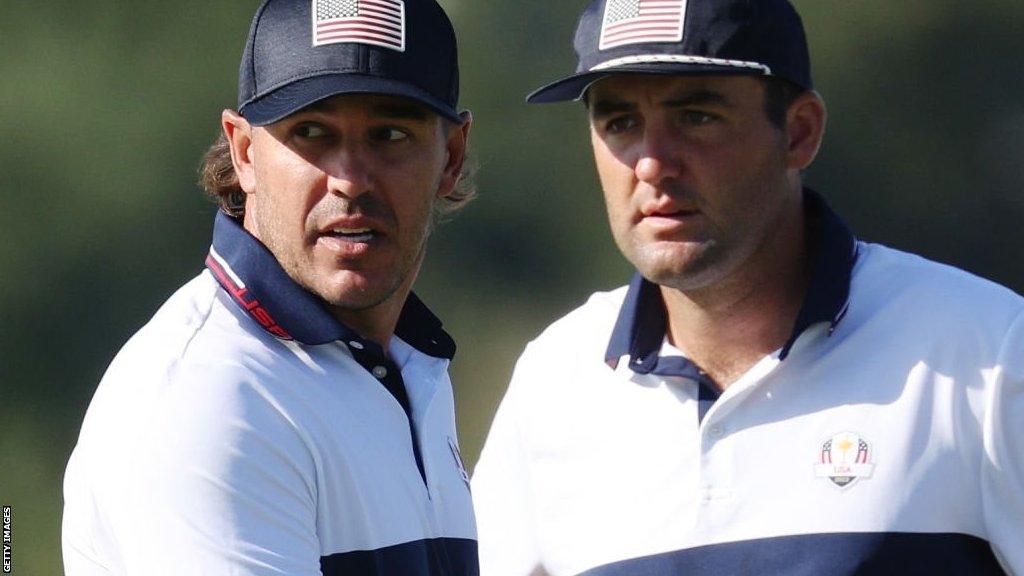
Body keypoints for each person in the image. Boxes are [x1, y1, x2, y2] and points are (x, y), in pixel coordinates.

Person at [471, 0, 1023, 574]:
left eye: (696, 116)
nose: (653, 164)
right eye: (620, 123)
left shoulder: (986, 350)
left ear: (799, 133)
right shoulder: (553, 381)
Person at [62, 0, 479, 574]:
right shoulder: (210, 398)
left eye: (389, 134)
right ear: (244, 152)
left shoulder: (409, 364)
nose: (351, 180)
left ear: (452, 156)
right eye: (311, 132)